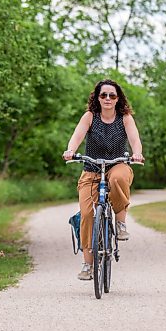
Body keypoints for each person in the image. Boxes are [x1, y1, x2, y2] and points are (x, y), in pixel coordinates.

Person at [63, 79, 144, 281]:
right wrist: (71, 150)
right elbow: (77, 135)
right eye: (103, 95)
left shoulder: (125, 118)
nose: (107, 99)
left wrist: (137, 154)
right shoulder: (90, 117)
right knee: (87, 215)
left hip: (117, 164)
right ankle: (87, 264)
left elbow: (134, 139)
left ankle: (120, 224)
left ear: (118, 99)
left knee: (118, 178)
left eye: (112, 95)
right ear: (97, 98)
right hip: (91, 170)